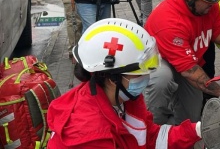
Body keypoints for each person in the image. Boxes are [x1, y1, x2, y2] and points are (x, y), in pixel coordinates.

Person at [47, 18, 202, 148]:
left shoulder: (123, 99)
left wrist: (197, 130)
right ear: (112, 79)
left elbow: (151, 137)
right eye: (139, 75)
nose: (145, 79)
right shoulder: (92, 136)